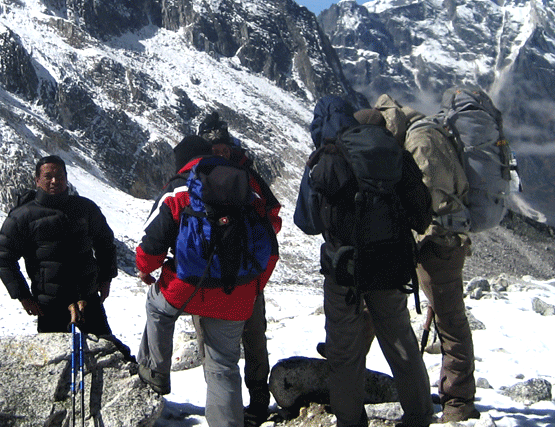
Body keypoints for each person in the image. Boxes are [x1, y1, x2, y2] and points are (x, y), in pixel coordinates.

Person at [296, 97, 434, 427]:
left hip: (343, 271)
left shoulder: (329, 158)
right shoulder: (396, 155)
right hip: (390, 268)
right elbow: (422, 214)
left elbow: (308, 222)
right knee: (400, 341)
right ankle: (419, 415)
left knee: (343, 353)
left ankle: (350, 420)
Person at [136, 135, 279, 427]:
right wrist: (253, 288)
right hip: (237, 291)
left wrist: (145, 269)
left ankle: (156, 375)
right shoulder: (245, 186)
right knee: (223, 366)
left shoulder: (179, 188)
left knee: (156, 306)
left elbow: (150, 247)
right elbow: (269, 239)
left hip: (189, 285)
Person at [374, 94, 480, 422]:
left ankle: (458, 402)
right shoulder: (429, 133)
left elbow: (427, 201)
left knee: (450, 322)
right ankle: (452, 394)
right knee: (449, 320)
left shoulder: (421, 143)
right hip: (444, 241)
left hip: (439, 244)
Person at [199, 111, 282, 426]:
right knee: (251, 338)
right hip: (245, 276)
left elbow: (272, 215)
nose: (220, 151)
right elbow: (272, 216)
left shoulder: (200, 175)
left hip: (214, 278)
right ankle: (242, 406)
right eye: (215, 148)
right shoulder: (244, 173)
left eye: (223, 146)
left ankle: (250, 405)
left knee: (227, 342)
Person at [0, 155, 118, 336]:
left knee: (107, 354)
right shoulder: (22, 216)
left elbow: (105, 243)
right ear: (37, 180)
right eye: (48, 176)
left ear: (67, 178)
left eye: (59, 175)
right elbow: (4, 258)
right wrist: (23, 296)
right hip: (50, 307)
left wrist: (106, 278)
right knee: (59, 362)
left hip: (88, 300)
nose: (55, 181)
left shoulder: (85, 208)